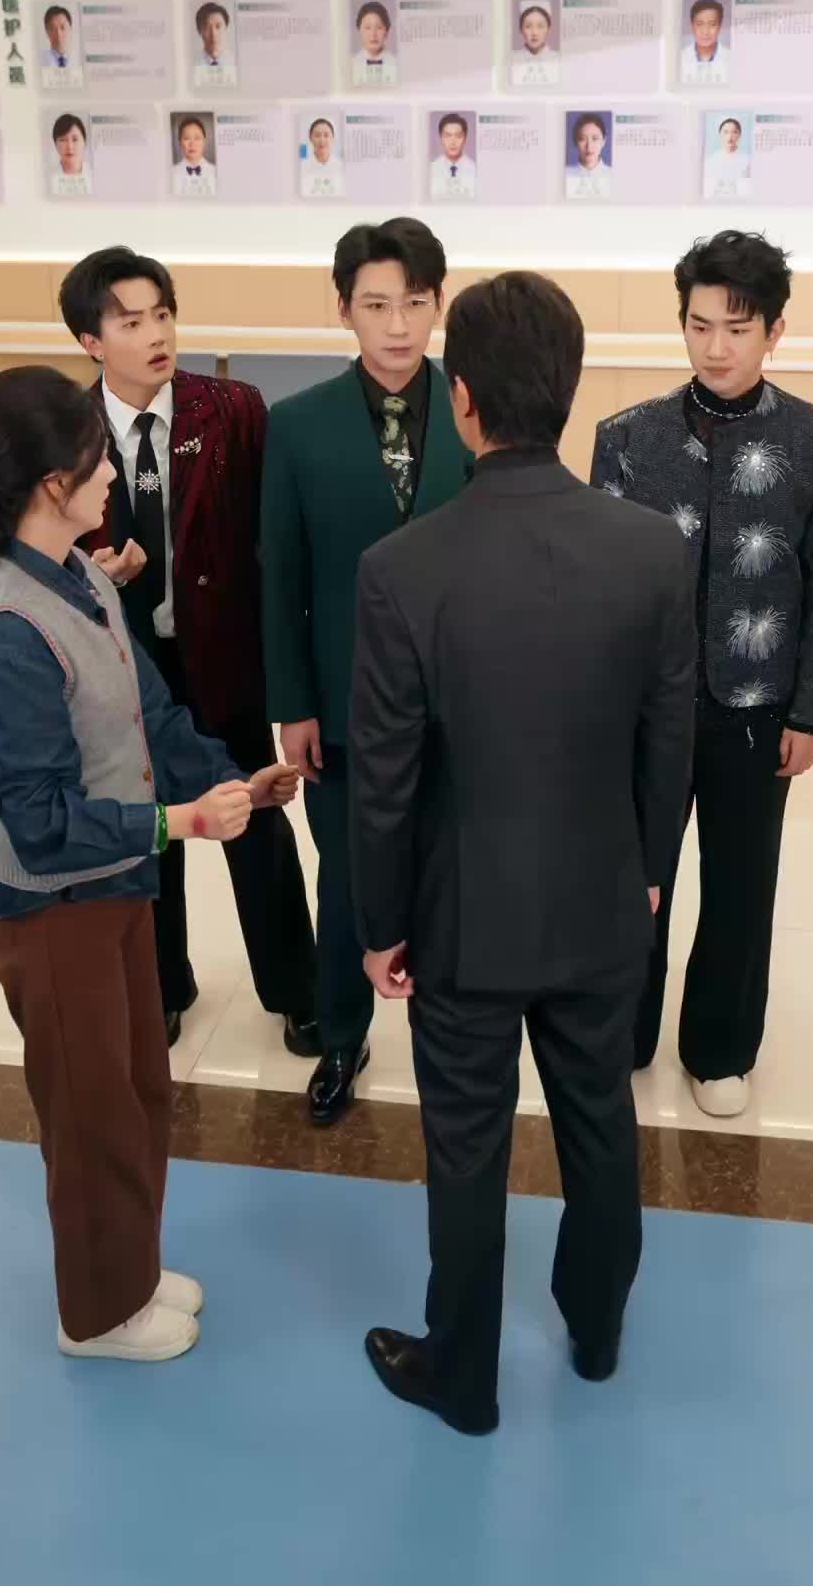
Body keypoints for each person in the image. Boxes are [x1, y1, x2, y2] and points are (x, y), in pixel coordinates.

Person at [350, 272, 696, 1435]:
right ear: (570, 388)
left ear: (464, 398)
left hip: (462, 917)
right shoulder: (651, 551)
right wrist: (649, 871)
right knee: (601, 1122)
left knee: (467, 1150)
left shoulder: (403, 568)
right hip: (605, 897)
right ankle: (597, 1333)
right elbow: (669, 736)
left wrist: (380, 925)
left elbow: (386, 778)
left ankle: (464, 1377)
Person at [0, 365, 299, 1361]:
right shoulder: (5, 635)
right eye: (97, 461)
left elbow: (155, 715)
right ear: (54, 482)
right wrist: (183, 821)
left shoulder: (87, 575)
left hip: (119, 894)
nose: (114, 476)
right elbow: (38, 824)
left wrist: (234, 781)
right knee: (92, 1117)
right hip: (55, 918)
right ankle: (97, 1314)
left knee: (138, 1091)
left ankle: (130, 1268)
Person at [591, 231, 813, 1119]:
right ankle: (622, 1034)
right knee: (635, 877)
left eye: (738, 329)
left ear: (774, 331)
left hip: (758, 707)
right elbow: (600, 588)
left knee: (742, 884)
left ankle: (720, 1048)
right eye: (699, 325)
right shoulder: (628, 438)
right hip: (645, 710)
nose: (715, 347)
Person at [61, 247, 319, 1055]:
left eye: (163, 315)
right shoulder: (65, 428)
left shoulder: (232, 409)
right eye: (131, 322)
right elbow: (22, 542)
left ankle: (297, 990)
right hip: (124, 672)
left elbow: (276, 537)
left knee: (257, 823)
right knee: (153, 829)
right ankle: (164, 986)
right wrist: (88, 576)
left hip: (225, 658)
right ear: (91, 341)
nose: (156, 335)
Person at [261, 218, 469, 1126]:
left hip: (460, 702)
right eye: (376, 304)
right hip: (342, 700)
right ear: (342, 307)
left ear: (438, 305)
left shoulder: (476, 409)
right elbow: (281, 575)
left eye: (415, 303)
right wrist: (292, 703)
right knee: (346, 878)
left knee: (451, 871)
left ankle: (449, 1036)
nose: (397, 325)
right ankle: (342, 1037)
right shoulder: (297, 425)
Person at [680, 0, 730, 86]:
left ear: (720, 26)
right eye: (699, 24)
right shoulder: (680, 58)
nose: (705, 31)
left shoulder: (732, 58)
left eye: (712, 24)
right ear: (692, 26)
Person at [429, 113, 477, 199]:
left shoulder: (476, 170)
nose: (453, 142)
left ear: (465, 138)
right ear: (441, 138)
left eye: (458, 136)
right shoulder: (430, 169)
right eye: (447, 136)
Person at [510, 1, 559, 86]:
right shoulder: (511, 60)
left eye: (540, 26)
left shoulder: (559, 60)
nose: (534, 33)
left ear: (548, 28)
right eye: (528, 26)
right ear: (521, 29)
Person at [565, 112, 611, 200]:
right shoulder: (566, 174)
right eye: (582, 139)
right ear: (575, 142)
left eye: (595, 138)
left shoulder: (612, 175)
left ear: (603, 141)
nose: (589, 146)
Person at [703, 117, 751, 200]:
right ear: (720, 134)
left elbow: (747, 191)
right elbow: (707, 191)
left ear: (739, 135)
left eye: (734, 132)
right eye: (726, 132)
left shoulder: (747, 161)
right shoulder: (711, 161)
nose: (730, 136)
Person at [352, 0, 398, 86]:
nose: (373, 34)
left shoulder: (396, 65)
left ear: (386, 31)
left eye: (379, 27)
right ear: (359, 30)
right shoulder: (352, 65)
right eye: (368, 28)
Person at [193, 0, 237, 89]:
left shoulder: (237, 64)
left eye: (218, 26)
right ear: (199, 31)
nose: (213, 34)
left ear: (226, 28)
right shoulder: (191, 66)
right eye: (207, 27)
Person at [300, 116, 346, 199]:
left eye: (326, 135)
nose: (322, 140)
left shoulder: (342, 167)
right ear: (310, 138)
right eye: (317, 135)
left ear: (332, 138)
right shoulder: (302, 167)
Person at [172, 116, 217, 197]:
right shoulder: (172, 173)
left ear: (204, 141)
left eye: (197, 138)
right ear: (180, 142)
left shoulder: (215, 172)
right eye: (186, 138)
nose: (192, 144)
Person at [50, 114, 91, 197]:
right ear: (55, 144)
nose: (69, 146)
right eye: (63, 140)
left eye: (75, 139)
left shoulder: (93, 175)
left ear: (84, 142)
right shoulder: (48, 178)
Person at [41, 5, 81, 88]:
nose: (58, 34)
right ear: (47, 32)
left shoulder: (81, 61)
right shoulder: (38, 63)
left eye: (62, 27)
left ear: (70, 28)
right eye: (53, 29)